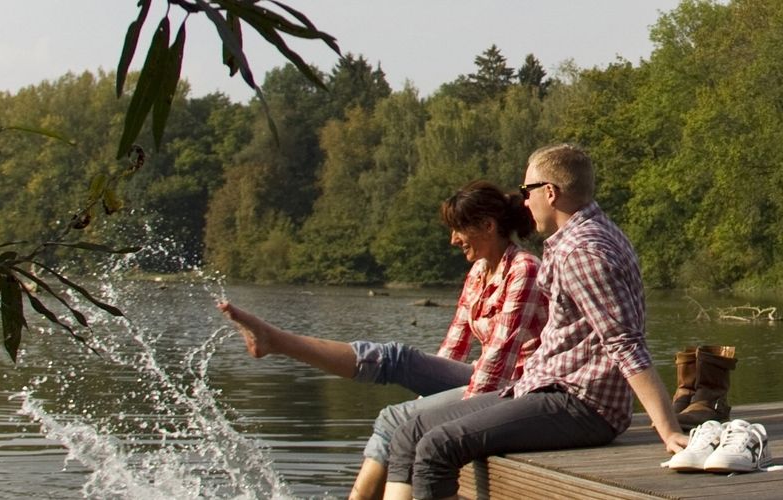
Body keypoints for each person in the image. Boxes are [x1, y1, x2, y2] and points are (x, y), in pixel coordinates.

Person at [374, 144, 690, 500]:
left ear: (550, 193)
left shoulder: (582, 251)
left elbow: (625, 342)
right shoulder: (580, 238)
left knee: (438, 448)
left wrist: (667, 428)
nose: (524, 202)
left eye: (528, 192)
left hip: (582, 405)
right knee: (408, 431)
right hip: (545, 388)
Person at [217, 180, 544, 500]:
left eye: (459, 229)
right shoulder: (479, 272)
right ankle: (277, 341)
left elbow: (500, 361)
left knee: (395, 418)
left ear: (487, 226)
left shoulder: (524, 269)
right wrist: (425, 399)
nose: (453, 240)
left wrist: (435, 415)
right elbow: (453, 348)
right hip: (485, 376)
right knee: (396, 361)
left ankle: (277, 341)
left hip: (517, 388)